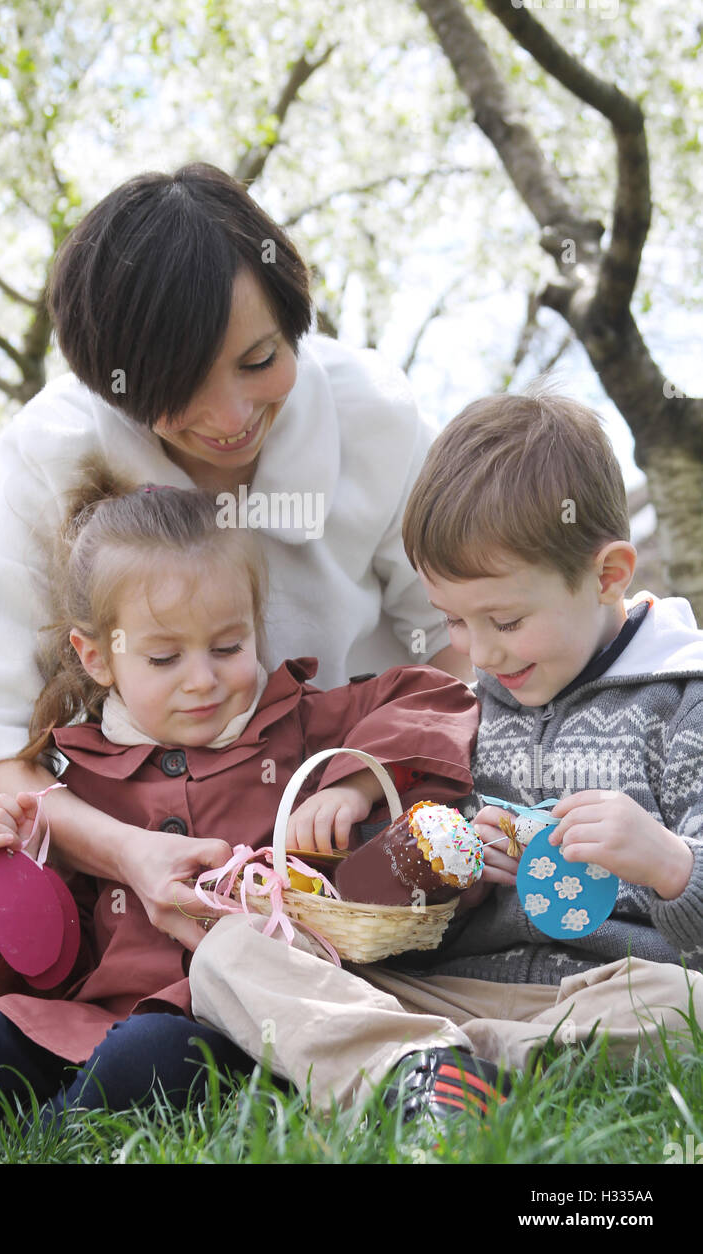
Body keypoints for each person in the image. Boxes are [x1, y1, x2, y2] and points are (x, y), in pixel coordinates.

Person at [0, 473, 480, 1143]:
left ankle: (27, 1139)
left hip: (223, 1030)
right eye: (165, 657)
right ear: (97, 658)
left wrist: (349, 785)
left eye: (228, 647)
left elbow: (438, 696)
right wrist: (17, 874)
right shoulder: (76, 777)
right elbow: (47, 965)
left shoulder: (299, 724)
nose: (202, 679)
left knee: (147, 1065)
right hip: (77, 1019)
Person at [0, 162, 470, 881]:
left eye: (258, 360)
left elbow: (463, 646)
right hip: (146, 847)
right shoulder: (51, 454)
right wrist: (130, 855)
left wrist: (367, 784)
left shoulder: (373, 419)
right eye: (181, 389)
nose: (231, 419)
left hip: (354, 836)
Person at [189, 390, 703, 1133]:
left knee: (686, 1009)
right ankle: (425, 1063)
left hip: (607, 994)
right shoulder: (471, 707)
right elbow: (413, 912)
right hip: (453, 985)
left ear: (609, 574)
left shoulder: (683, 704)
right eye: (455, 621)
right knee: (230, 953)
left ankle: (429, 1066)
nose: (480, 651)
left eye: (506, 621)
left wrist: (667, 864)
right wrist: (440, 871)